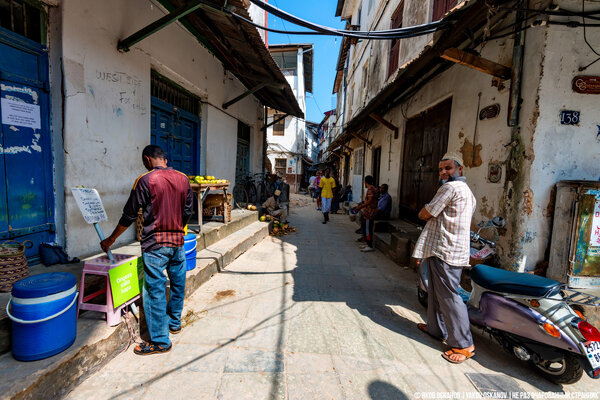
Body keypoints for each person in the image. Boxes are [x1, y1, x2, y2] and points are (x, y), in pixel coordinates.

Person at [100, 145, 193, 356]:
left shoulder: (145, 180)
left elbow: (129, 215)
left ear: (147, 159)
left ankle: (160, 341)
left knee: (154, 291)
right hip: (178, 242)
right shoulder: (183, 178)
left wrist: (111, 239)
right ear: (165, 160)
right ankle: (175, 323)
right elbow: (188, 210)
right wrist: (178, 226)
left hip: (155, 244)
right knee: (178, 283)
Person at [412, 152, 476, 364]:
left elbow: (426, 213)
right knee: (437, 292)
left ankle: (464, 344)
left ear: (460, 169)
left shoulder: (449, 188)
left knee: (449, 296)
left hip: (445, 250)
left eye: (448, 168)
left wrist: (423, 211)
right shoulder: (467, 191)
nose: (443, 172)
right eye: (440, 169)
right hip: (451, 250)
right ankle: (435, 328)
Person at [352, 175, 379, 252]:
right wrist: (362, 203)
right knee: (366, 228)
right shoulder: (373, 188)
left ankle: (369, 245)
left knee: (367, 229)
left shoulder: (370, 189)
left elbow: (370, 201)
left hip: (369, 213)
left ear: (365, 182)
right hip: (369, 212)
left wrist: (360, 207)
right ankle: (367, 243)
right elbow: (370, 200)